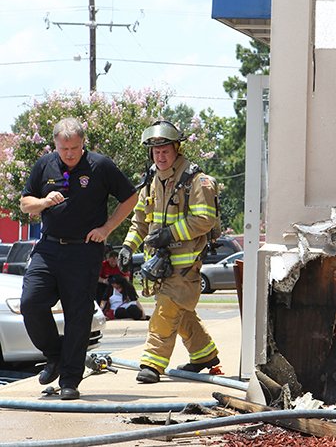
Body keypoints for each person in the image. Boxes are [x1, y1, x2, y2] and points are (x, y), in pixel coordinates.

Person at [19, 117, 138, 400]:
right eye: (64, 149)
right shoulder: (45, 165)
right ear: (56, 145)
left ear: (83, 143)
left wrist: (107, 228)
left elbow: (130, 197)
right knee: (30, 302)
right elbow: (25, 203)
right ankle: (54, 355)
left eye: (74, 147)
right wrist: (45, 201)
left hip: (83, 251)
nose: (69, 154)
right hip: (48, 249)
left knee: (78, 315)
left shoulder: (101, 165)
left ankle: (70, 381)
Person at [118, 120, 220, 384]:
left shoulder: (197, 181)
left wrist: (170, 233)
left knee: (165, 313)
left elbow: (204, 219)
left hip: (185, 267)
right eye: (156, 152)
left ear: (177, 149)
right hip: (160, 265)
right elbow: (140, 219)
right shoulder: (152, 180)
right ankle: (203, 355)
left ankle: (152, 363)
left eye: (165, 151)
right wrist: (128, 246)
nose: (160, 156)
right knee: (181, 312)